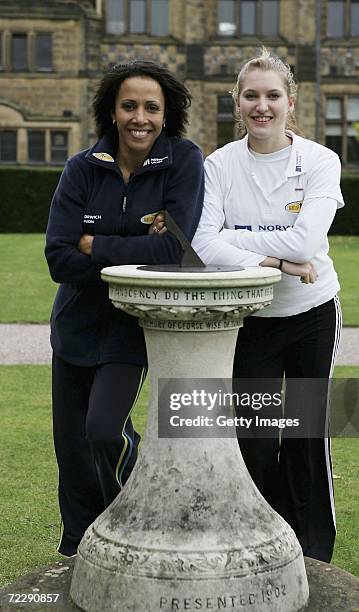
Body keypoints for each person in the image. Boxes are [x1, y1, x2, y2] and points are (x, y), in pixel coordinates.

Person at [45, 60, 204, 557]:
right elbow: (58, 258)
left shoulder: (183, 161)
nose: (141, 117)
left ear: (166, 113)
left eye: (151, 107)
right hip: (75, 325)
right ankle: (77, 545)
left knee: (104, 429)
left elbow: (175, 253)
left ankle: (137, 520)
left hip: (132, 327)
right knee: (72, 451)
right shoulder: (81, 168)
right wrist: (135, 243)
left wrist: (96, 244)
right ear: (112, 112)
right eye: (129, 106)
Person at [190, 48, 344, 563]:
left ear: (290, 102)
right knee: (254, 440)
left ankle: (314, 554)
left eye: (272, 95)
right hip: (250, 319)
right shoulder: (219, 165)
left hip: (312, 315)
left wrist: (246, 239)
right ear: (237, 102)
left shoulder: (321, 162)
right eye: (251, 96)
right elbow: (206, 246)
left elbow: (307, 245)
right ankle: (264, 543)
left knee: (304, 435)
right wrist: (278, 261)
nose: (262, 106)